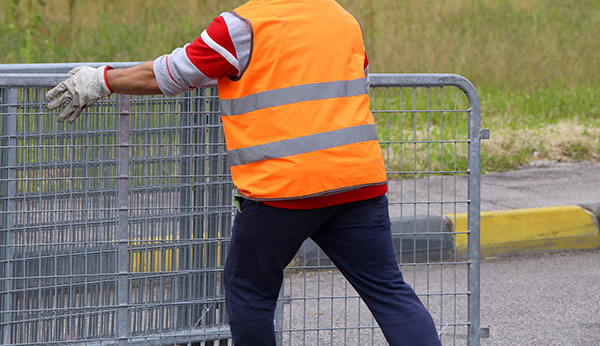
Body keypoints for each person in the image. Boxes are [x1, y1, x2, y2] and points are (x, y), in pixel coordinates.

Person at [46, 1, 442, 345]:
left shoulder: (242, 26)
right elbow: (358, 87)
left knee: (248, 291)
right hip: (358, 182)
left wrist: (102, 80)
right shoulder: (342, 19)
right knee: (389, 291)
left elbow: (171, 73)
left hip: (283, 190)